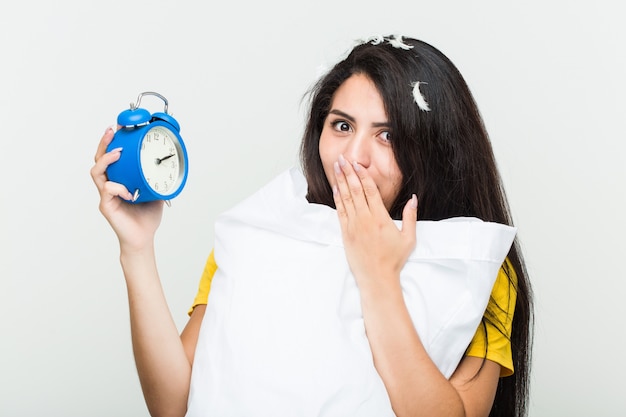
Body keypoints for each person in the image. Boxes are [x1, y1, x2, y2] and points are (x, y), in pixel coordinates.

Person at [91, 35, 533, 417]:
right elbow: (173, 404)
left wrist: (378, 277)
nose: (353, 156)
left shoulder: (474, 264)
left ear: (436, 148)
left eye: (388, 135)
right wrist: (137, 248)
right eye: (342, 125)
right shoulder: (262, 232)